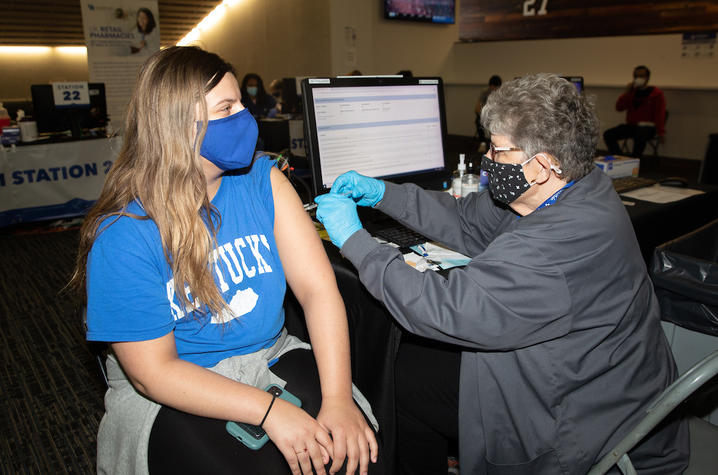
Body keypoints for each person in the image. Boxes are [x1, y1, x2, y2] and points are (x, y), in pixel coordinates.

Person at [314, 73, 689, 474]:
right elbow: (468, 220)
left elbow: (443, 308)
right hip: (590, 372)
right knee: (411, 362)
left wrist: (355, 240)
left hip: (580, 413)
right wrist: (384, 194)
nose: (488, 161)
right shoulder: (572, 186)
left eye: (497, 151)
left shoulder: (556, 245)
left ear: (541, 165)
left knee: (397, 378)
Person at [71, 46, 382, 475]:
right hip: (177, 381)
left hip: (267, 353)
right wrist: (270, 412)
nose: (244, 118)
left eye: (241, 103)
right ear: (177, 125)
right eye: (227, 107)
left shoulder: (264, 180)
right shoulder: (124, 232)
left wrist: (338, 400)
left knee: (355, 451)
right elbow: (153, 373)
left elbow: (317, 290)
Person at [603, 65, 666, 158]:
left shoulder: (656, 94)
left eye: (641, 76)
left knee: (640, 135)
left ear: (647, 78)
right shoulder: (631, 93)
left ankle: (635, 161)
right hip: (632, 126)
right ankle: (620, 159)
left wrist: (661, 132)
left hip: (648, 127)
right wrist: (627, 93)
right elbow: (619, 107)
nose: (638, 78)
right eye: (636, 76)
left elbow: (660, 114)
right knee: (608, 134)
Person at [474, 75, 501, 144]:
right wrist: (481, 115)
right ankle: (482, 142)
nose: (494, 89)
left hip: (497, 115)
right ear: (490, 86)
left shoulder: (501, 93)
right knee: (478, 121)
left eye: (496, 87)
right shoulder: (485, 93)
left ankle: (497, 143)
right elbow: (477, 107)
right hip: (487, 114)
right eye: (493, 87)